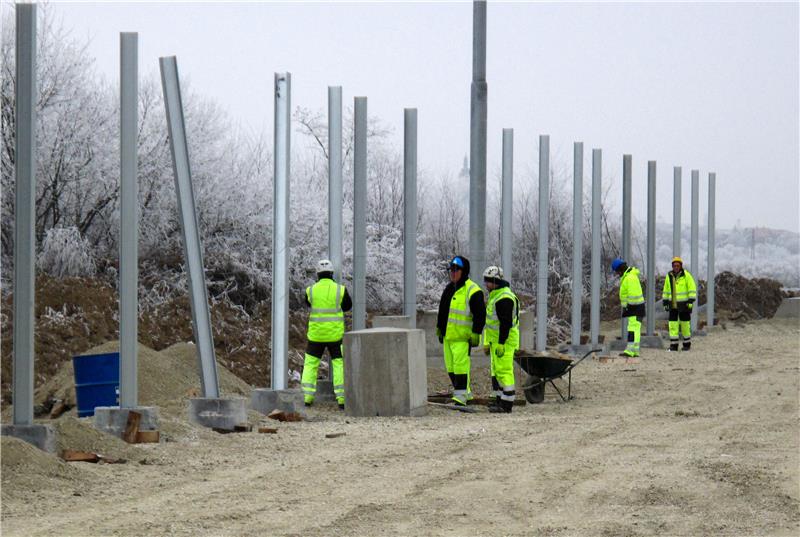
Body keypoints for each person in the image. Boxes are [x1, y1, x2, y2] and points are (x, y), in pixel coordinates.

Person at [301, 259, 352, 409]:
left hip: (316, 335)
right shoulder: (340, 290)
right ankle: (342, 399)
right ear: (331, 273)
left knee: (310, 364)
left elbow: (308, 303)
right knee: (338, 364)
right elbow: (348, 306)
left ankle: (307, 397)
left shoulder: (310, 290)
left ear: (317, 274)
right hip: (335, 335)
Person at [436, 255, 485, 406]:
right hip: (448, 337)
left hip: (462, 338)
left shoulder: (473, 290)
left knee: (460, 366)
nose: (453, 273)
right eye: (451, 270)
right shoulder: (449, 289)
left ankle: (461, 396)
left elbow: (480, 314)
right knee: (451, 367)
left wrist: (476, 332)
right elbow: (442, 311)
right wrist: (439, 327)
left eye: (456, 270)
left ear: (464, 271)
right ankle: (464, 392)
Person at [481, 266, 519, 414]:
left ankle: (506, 404)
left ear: (495, 281)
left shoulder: (504, 298)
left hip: (504, 342)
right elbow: (491, 323)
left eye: (488, 281)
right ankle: (500, 400)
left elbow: (505, 324)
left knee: (504, 371)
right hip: (496, 341)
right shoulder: (496, 295)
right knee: (497, 371)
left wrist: (502, 343)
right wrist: (487, 342)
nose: (486, 284)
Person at [611, 258, 645, 357]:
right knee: (635, 328)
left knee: (633, 328)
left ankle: (630, 350)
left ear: (620, 269)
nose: (617, 274)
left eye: (617, 272)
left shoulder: (629, 277)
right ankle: (635, 350)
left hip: (634, 307)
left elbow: (633, 295)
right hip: (636, 307)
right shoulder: (629, 276)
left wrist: (628, 307)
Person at [661, 256, 697, 352]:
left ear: (681, 266)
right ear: (672, 266)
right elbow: (666, 290)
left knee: (685, 325)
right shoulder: (669, 276)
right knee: (672, 325)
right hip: (673, 304)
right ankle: (673, 346)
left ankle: (686, 345)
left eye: (678, 265)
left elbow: (692, 288)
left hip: (684, 305)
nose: (676, 267)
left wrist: (690, 301)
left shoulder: (687, 275)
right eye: (674, 265)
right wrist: (665, 302)